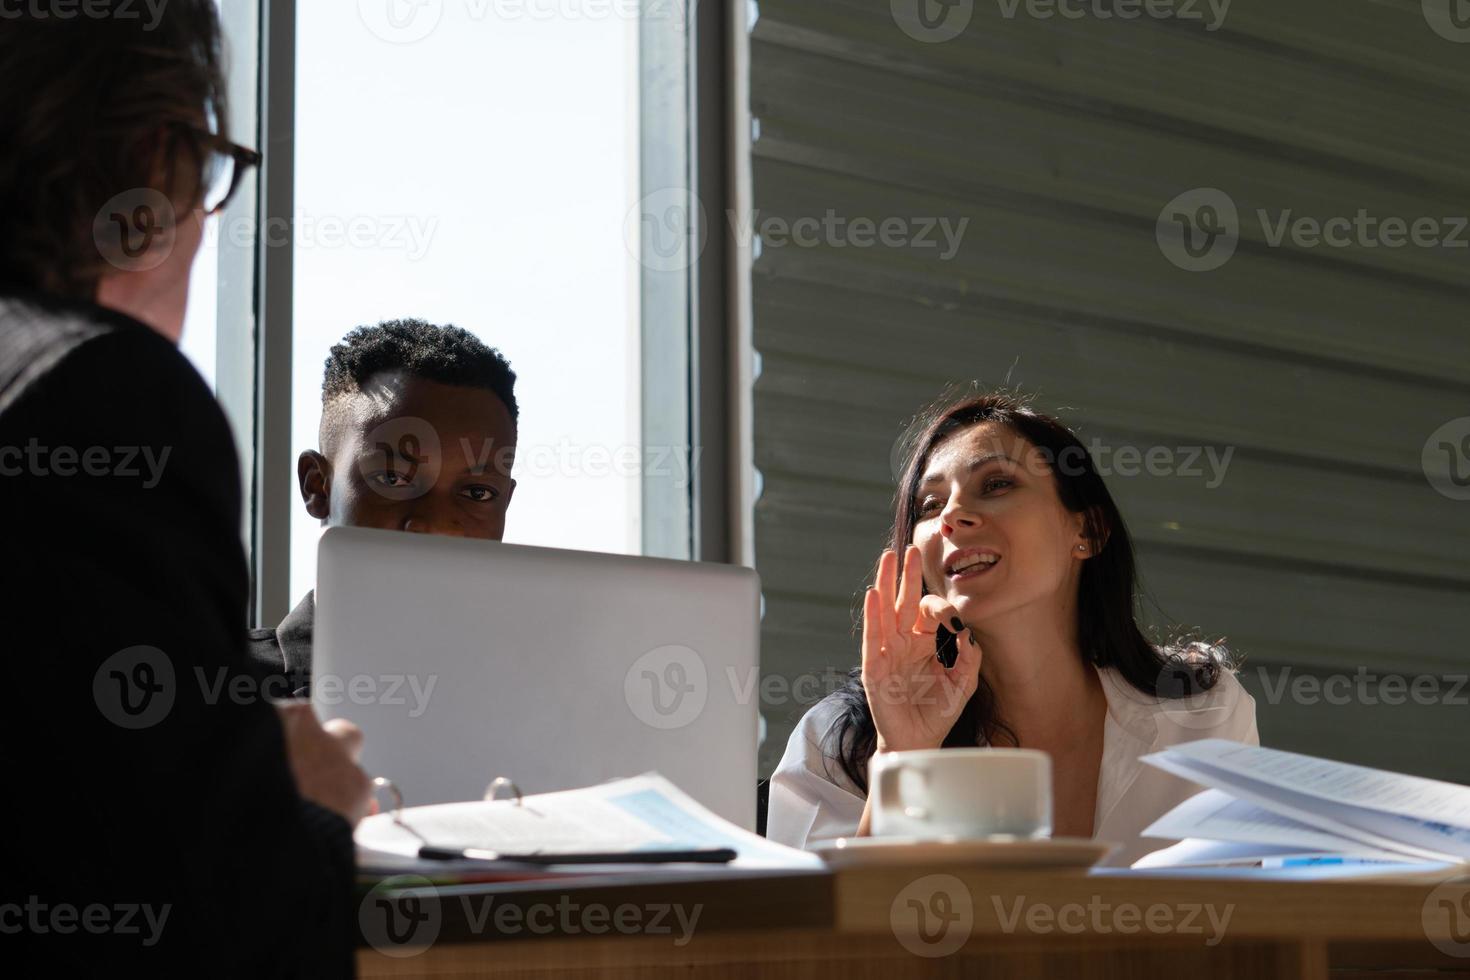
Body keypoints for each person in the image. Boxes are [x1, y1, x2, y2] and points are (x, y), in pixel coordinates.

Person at [0, 7, 370, 974]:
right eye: (209, 172)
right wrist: (308, 810)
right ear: (155, 162)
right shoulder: (100, 396)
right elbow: (219, 928)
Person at [766, 391, 1258, 866]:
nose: (952, 517)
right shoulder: (841, 741)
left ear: (1086, 531)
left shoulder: (1203, 712)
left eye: (997, 484)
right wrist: (902, 755)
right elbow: (821, 943)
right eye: (930, 506)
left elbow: (1251, 932)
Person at [248, 320, 519, 693]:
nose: (437, 525)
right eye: (393, 479)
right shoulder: (210, 694)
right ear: (317, 487)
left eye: (477, 494)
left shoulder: (555, 697)